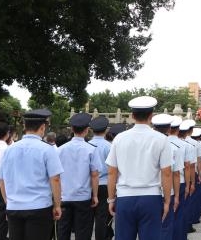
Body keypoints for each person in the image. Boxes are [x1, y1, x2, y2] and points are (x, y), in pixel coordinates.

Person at [106, 96, 172, 240]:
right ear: (151, 116)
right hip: (151, 198)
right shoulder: (161, 139)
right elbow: (167, 174)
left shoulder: (119, 138)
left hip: (125, 197)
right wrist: (167, 201)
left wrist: (111, 199)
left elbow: (111, 172)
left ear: (132, 116)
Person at [0, 109, 64, 240]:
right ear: (42, 127)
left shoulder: (9, 150)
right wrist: (57, 205)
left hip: (14, 206)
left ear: (24, 126)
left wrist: (8, 202)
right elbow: (55, 179)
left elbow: (1, 180)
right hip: (39, 206)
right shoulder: (47, 149)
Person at [57, 112, 101, 240]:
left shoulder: (60, 150)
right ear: (87, 130)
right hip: (83, 197)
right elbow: (94, 175)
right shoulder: (91, 149)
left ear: (71, 129)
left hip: (64, 196)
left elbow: (55, 176)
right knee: (83, 232)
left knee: (62, 231)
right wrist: (95, 195)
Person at [88, 116, 113, 240]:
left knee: (87, 218)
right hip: (104, 184)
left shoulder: (87, 144)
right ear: (106, 130)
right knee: (101, 218)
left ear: (91, 130)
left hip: (89, 184)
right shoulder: (109, 146)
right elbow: (113, 169)